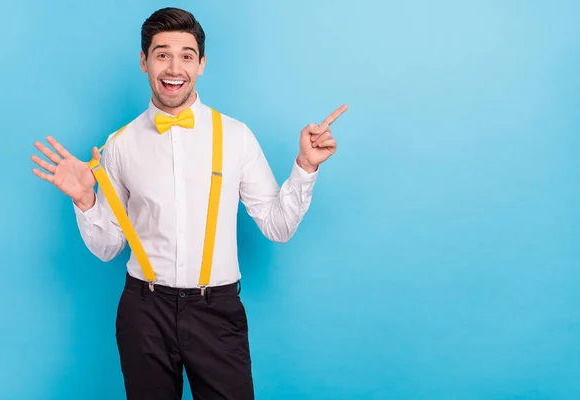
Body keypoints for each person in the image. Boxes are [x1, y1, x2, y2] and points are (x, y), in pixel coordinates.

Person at [30, 7, 347, 400]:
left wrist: (304, 167)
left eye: (186, 55)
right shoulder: (119, 145)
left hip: (217, 310)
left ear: (201, 64)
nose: (173, 67)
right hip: (144, 311)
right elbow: (107, 247)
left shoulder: (236, 136)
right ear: (144, 61)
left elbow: (277, 227)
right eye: (162, 54)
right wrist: (86, 199)